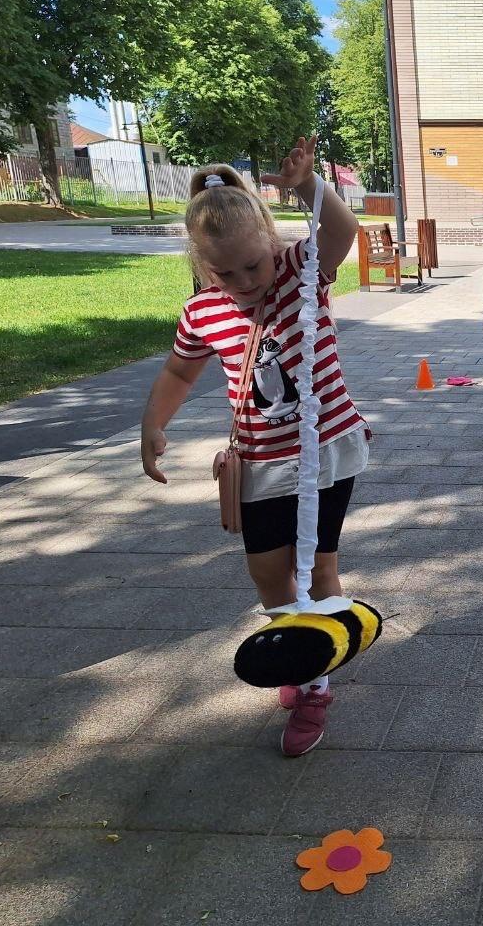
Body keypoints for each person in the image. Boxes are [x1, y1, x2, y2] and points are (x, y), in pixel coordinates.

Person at [141, 138, 365, 757]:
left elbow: (345, 231)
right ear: (202, 264)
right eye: (225, 273)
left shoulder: (300, 271)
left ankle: (313, 681)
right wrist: (153, 424)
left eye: (253, 267)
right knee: (267, 571)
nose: (243, 283)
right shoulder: (203, 312)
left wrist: (306, 186)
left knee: (315, 568)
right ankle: (299, 647)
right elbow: (180, 373)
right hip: (261, 460)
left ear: (272, 244)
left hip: (325, 448)